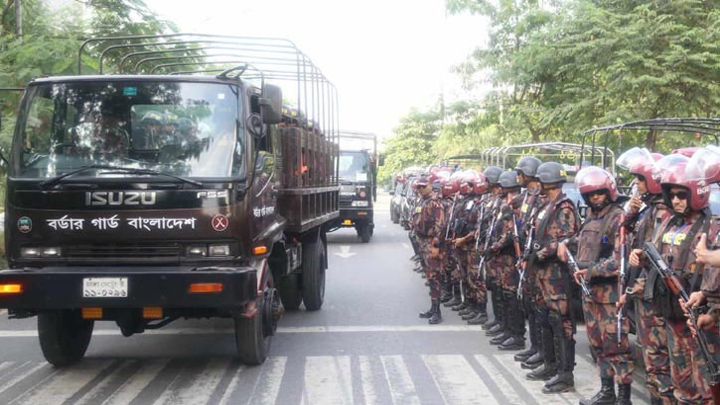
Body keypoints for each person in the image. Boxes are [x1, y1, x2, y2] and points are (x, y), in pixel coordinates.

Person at [632, 154, 717, 404]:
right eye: (673, 195)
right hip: (671, 313)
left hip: (698, 316)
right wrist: (641, 257)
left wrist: (711, 309)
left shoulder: (709, 226)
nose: (677, 201)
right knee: (681, 384)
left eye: (682, 195)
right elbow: (655, 255)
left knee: (706, 388)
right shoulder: (669, 223)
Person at [559, 166, 633, 405]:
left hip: (610, 296)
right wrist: (566, 243)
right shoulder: (591, 216)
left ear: (609, 192)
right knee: (598, 346)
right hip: (590, 294)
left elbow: (619, 260)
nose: (595, 199)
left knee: (617, 348)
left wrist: (590, 271)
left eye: (599, 194)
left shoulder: (618, 218)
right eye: (590, 195)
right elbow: (582, 240)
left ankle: (623, 398)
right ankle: (607, 392)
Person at [616, 148, 673, 404]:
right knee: (652, 361)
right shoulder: (648, 210)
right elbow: (627, 235)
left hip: (653, 296)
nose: (636, 185)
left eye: (639, 179)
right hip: (643, 292)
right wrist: (631, 211)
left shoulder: (663, 213)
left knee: (658, 362)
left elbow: (659, 261)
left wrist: (632, 290)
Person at [525, 162, 579, 394]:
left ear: (547, 181)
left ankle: (565, 375)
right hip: (542, 274)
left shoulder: (564, 207)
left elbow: (567, 240)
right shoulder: (547, 205)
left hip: (556, 275)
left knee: (561, 323)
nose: (536, 184)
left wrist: (538, 254)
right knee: (544, 317)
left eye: (539, 180)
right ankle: (550, 365)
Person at [512, 156, 545, 366]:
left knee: (539, 307)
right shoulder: (526, 196)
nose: (517, 177)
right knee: (529, 304)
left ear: (528, 174)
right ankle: (534, 347)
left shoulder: (540, 198)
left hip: (536, 259)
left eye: (520, 173)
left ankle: (541, 350)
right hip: (524, 256)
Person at [487, 170, 525, 349]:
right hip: (500, 257)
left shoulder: (518, 203)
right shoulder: (505, 202)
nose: (499, 188)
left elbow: (512, 232)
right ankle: (506, 328)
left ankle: (516, 335)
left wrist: (495, 246)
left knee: (511, 296)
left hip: (509, 256)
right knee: (501, 291)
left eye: (503, 186)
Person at [414, 174, 446, 324]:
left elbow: (441, 225)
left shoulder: (435, 202)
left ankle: (437, 311)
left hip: (431, 242)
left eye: (423, 186)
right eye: (418, 187)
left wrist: (436, 245)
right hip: (422, 242)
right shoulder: (422, 201)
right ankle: (433, 308)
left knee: (435, 278)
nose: (420, 189)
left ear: (430, 186)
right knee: (429, 277)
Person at [479, 166, 505, 331]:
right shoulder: (490, 199)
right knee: (495, 288)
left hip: (503, 254)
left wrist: (495, 246)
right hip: (493, 251)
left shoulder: (503, 201)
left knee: (506, 293)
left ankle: (510, 330)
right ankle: (499, 321)